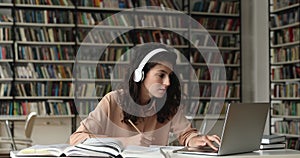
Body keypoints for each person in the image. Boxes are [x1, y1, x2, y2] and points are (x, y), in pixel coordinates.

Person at [70, 43, 220, 150]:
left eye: (169, 76)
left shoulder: (169, 105)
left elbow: (186, 134)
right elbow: (77, 139)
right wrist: (125, 142)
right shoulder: (113, 100)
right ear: (139, 75)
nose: (167, 82)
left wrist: (195, 139)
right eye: (161, 75)